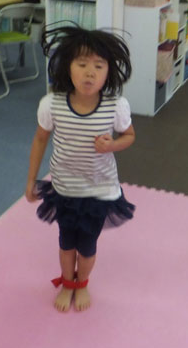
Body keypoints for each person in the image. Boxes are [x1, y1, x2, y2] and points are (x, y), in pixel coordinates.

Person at [25, 24, 136, 312]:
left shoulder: (115, 105)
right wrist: (31, 180)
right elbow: (40, 140)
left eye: (98, 66)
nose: (90, 73)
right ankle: (67, 283)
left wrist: (112, 145)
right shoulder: (52, 104)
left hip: (99, 191)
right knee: (66, 243)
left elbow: (129, 136)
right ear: (67, 66)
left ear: (108, 71)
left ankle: (81, 284)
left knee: (86, 246)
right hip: (64, 189)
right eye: (82, 64)